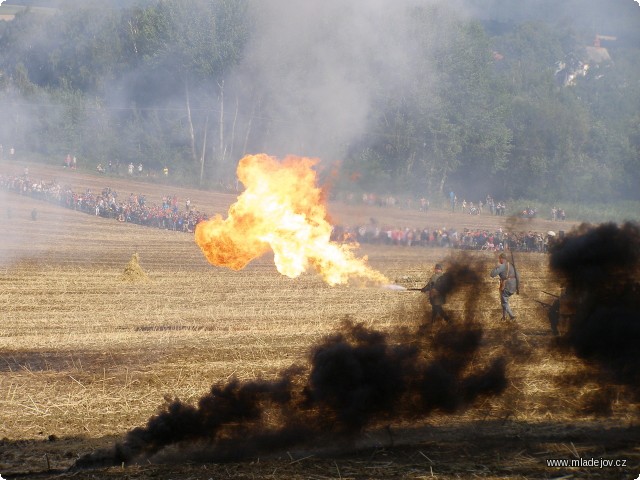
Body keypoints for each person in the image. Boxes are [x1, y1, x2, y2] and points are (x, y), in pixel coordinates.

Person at [490, 252, 520, 321]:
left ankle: (512, 316)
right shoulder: (512, 265)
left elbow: (492, 274)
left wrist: (496, 266)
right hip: (514, 286)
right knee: (504, 301)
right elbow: (518, 276)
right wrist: (517, 287)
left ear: (502, 259)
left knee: (504, 302)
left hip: (507, 286)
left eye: (499, 259)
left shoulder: (502, 266)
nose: (499, 261)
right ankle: (504, 317)